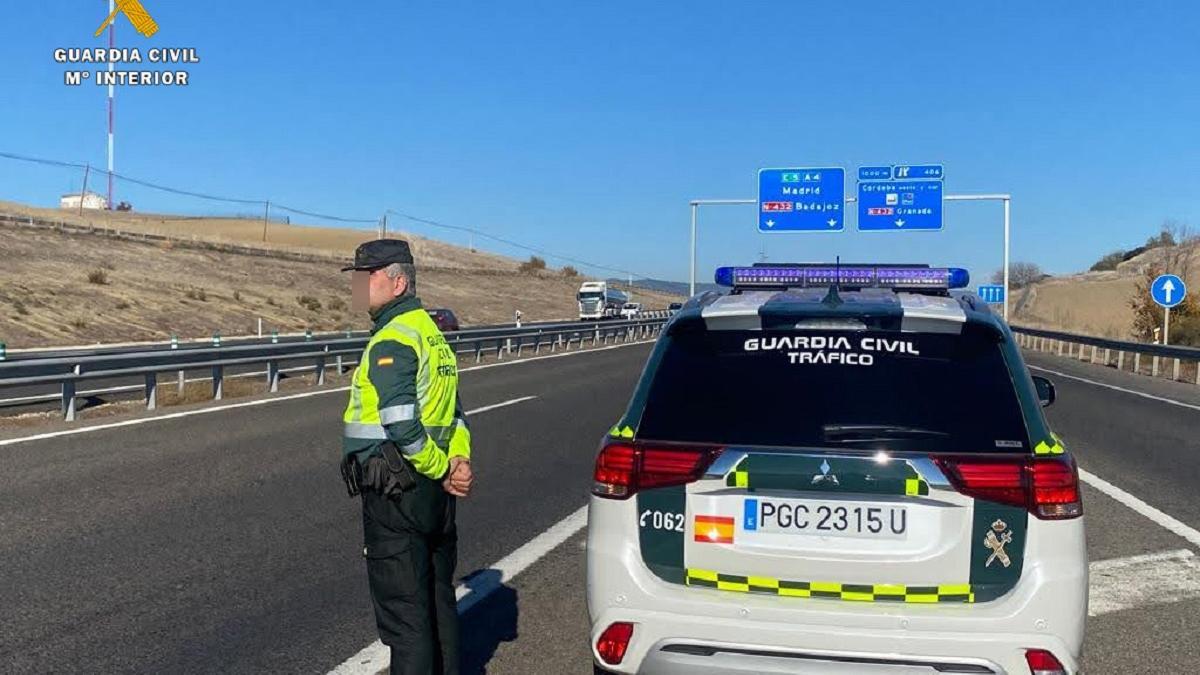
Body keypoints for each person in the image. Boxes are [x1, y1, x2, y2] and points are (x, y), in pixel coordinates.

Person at [339, 239, 474, 674]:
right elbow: (455, 416)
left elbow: (400, 422)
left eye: (368, 277)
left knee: (405, 619)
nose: (359, 287)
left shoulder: (393, 339)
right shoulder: (431, 334)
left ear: (397, 282)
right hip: (434, 492)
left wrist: (438, 469)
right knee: (438, 600)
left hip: (399, 490)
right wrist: (458, 464)